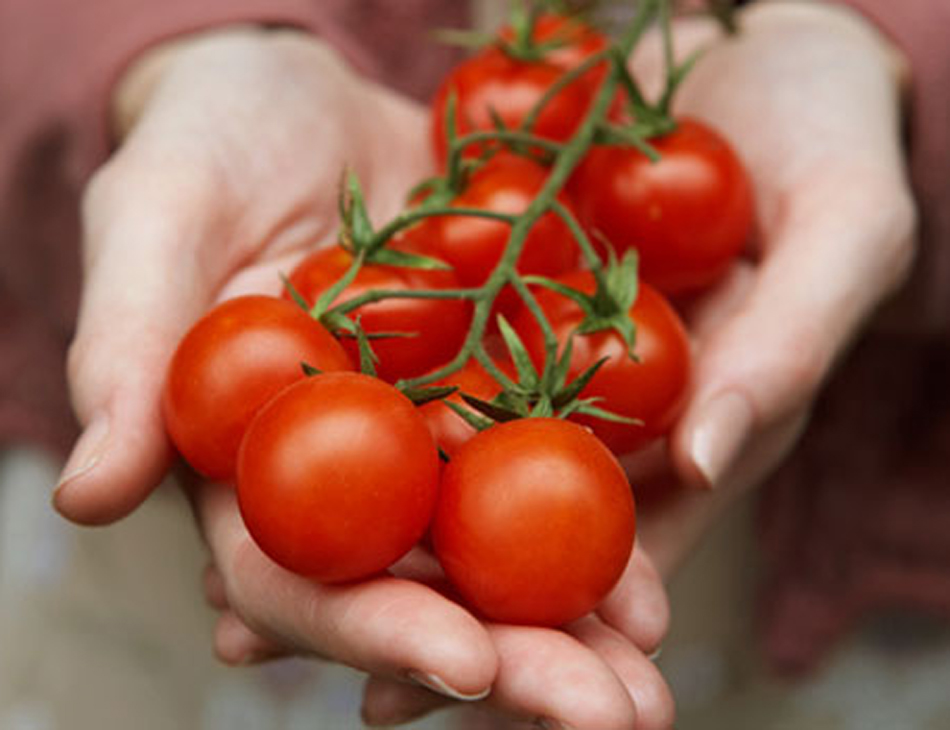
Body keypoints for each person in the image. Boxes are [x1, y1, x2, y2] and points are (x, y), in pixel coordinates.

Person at [1, 0, 945, 728]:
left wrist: (891, 46)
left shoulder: (449, 336)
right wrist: (164, 45)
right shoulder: (417, 335)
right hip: (138, 608)